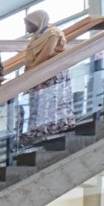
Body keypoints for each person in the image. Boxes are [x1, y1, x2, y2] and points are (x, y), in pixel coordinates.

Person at [22, 9, 73, 144]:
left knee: (50, 103)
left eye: (28, 24)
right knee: (37, 104)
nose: (26, 28)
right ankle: (36, 132)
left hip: (50, 74)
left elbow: (46, 54)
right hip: (37, 74)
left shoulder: (53, 33)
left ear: (37, 22)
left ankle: (51, 130)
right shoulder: (37, 36)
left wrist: (30, 72)